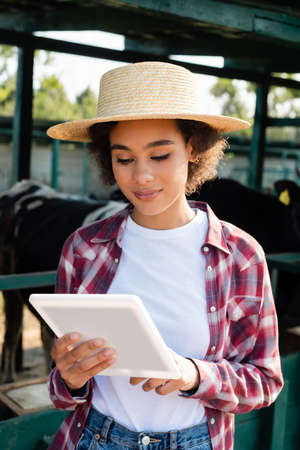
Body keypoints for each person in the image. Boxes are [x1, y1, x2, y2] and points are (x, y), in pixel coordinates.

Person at [46, 61, 283, 450]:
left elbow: (266, 381)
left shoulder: (241, 256)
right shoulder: (84, 249)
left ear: (192, 148)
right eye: (124, 159)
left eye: (159, 156)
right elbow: (60, 389)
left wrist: (193, 375)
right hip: (92, 438)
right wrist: (71, 376)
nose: (141, 177)